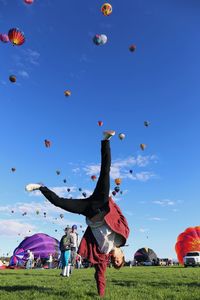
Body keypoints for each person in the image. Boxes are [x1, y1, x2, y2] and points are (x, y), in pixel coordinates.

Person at [25, 131, 130, 297]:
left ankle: (40, 187)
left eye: (114, 263)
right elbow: (120, 215)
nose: (115, 261)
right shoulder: (123, 235)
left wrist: (101, 294)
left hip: (88, 211)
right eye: (118, 261)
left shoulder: (102, 255)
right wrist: (111, 201)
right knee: (105, 172)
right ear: (123, 256)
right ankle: (105, 140)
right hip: (102, 204)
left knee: (60, 202)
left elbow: (100, 275)